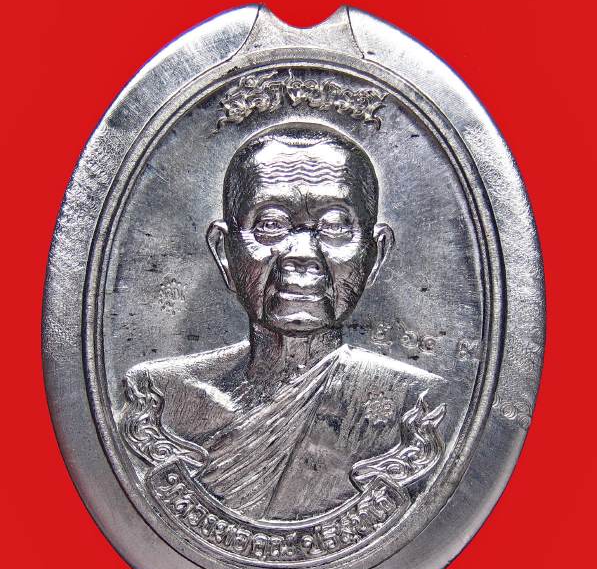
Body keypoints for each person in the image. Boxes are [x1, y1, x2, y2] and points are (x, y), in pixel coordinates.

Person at [120, 124, 445, 521]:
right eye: (271, 224)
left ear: (374, 256)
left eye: (335, 225)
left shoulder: (416, 405)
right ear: (224, 252)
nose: (302, 254)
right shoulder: (158, 399)